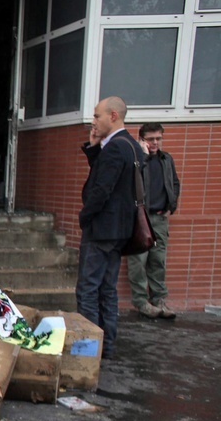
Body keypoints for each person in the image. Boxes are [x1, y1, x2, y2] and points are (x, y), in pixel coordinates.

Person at [76, 96, 144, 359]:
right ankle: (108, 346)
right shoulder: (131, 146)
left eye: (97, 116)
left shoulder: (115, 147)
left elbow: (102, 188)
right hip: (120, 231)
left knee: (88, 290)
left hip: (102, 229)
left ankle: (86, 352)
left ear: (113, 116)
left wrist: (85, 217)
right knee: (107, 288)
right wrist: (94, 148)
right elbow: (109, 177)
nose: (93, 121)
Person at [127, 122, 180, 319]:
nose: (155, 142)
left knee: (158, 261)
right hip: (141, 217)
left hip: (160, 217)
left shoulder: (167, 159)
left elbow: (174, 182)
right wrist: (144, 156)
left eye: (158, 138)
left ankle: (159, 300)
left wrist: (171, 204)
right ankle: (141, 302)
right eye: (150, 139)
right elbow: (132, 180)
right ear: (142, 140)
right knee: (138, 260)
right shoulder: (138, 160)